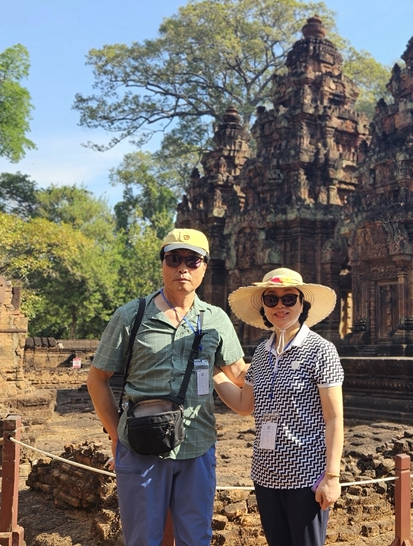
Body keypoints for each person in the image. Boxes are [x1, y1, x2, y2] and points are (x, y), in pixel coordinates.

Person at [87, 229, 247, 546]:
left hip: (197, 444)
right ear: (162, 264)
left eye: (192, 260)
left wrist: (281, 355)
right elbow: (97, 379)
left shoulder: (215, 320)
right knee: (142, 539)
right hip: (139, 446)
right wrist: (116, 436)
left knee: (196, 539)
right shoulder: (131, 316)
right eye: (174, 259)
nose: (182, 268)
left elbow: (240, 373)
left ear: (204, 267)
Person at [215, 268, 344, 546]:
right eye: (271, 299)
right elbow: (244, 404)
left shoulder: (321, 350)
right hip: (266, 472)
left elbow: (334, 418)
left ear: (302, 304)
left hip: (305, 473)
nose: (280, 306)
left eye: (289, 299)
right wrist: (213, 370)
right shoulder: (262, 353)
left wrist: (332, 477)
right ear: (263, 306)